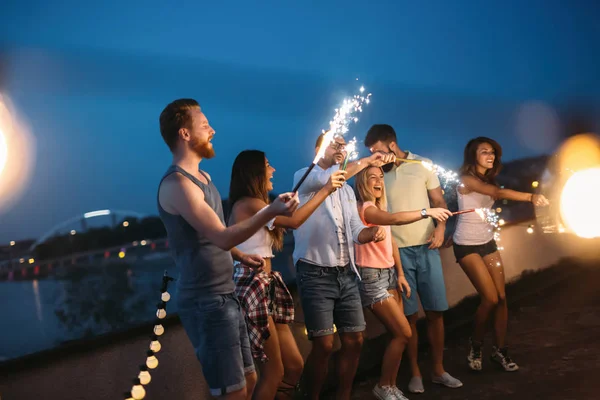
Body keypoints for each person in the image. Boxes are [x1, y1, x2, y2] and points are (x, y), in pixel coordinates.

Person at [156, 99, 299, 400]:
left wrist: (240, 255)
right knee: (232, 394)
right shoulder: (177, 185)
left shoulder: (205, 179)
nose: (213, 131)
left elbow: (214, 238)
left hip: (227, 295)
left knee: (247, 384)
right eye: (205, 125)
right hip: (205, 302)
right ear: (184, 134)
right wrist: (271, 209)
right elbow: (222, 236)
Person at [228, 150, 347, 400]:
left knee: (293, 366)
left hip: (266, 285)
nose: (272, 171)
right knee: (273, 371)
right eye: (268, 166)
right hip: (252, 287)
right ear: (254, 173)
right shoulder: (249, 203)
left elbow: (290, 215)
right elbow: (295, 221)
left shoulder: (256, 204)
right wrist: (325, 190)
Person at [292, 133, 394, 400]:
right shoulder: (305, 176)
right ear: (318, 149)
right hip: (314, 272)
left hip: (347, 272)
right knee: (324, 345)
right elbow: (328, 180)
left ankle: (343, 396)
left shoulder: (348, 191)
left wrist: (370, 234)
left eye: (343, 145)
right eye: (334, 144)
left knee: (355, 340)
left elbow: (355, 229)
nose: (340, 149)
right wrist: (367, 161)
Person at [365, 124, 463, 394]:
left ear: (392, 145)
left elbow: (439, 202)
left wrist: (441, 229)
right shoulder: (376, 175)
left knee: (435, 313)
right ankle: (415, 373)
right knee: (409, 318)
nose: (375, 156)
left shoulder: (424, 165)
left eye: (377, 151)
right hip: (396, 253)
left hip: (428, 247)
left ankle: (439, 370)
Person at [354, 166, 453, 400]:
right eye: (372, 178)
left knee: (399, 334)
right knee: (403, 332)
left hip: (388, 274)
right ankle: (383, 386)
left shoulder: (380, 206)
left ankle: (390, 385)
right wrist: (427, 212)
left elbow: (392, 244)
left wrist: (399, 273)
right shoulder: (366, 209)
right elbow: (395, 220)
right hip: (371, 278)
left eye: (380, 177)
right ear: (362, 183)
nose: (378, 181)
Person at [452, 137, 549, 372]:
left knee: (502, 298)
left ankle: (500, 350)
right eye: (484, 151)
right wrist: (530, 197)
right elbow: (496, 192)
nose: (490, 155)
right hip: (466, 246)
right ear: (472, 156)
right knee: (491, 298)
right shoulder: (466, 180)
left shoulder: (487, 179)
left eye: (493, 152)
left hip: (487, 243)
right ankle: (475, 344)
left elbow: (489, 196)